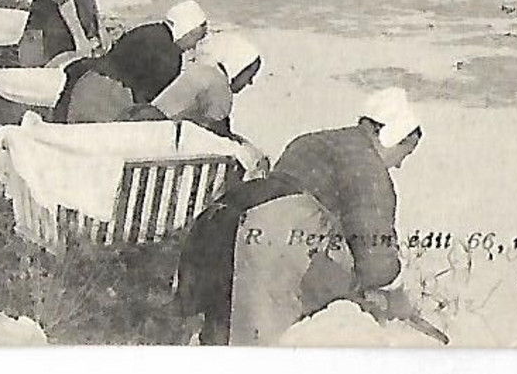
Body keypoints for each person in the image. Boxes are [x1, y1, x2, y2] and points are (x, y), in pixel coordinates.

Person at [176, 87, 424, 346]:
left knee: (217, 335)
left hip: (221, 222)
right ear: (391, 136)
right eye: (404, 153)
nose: (398, 165)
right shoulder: (369, 170)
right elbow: (375, 261)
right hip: (266, 246)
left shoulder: (312, 141)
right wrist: (392, 294)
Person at [51, 0, 210, 124]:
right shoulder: (170, 56)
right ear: (187, 31)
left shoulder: (150, 30)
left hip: (85, 84)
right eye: (196, 38)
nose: (193, 46)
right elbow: (147, 104)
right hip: (108, 99)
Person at [146, 31, 262, 136]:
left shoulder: (203, 69)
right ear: (238, 66)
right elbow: (217, 133)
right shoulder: (219, 85)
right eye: (249, 75)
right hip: (162, 133)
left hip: (151, 122)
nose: (249, 82)